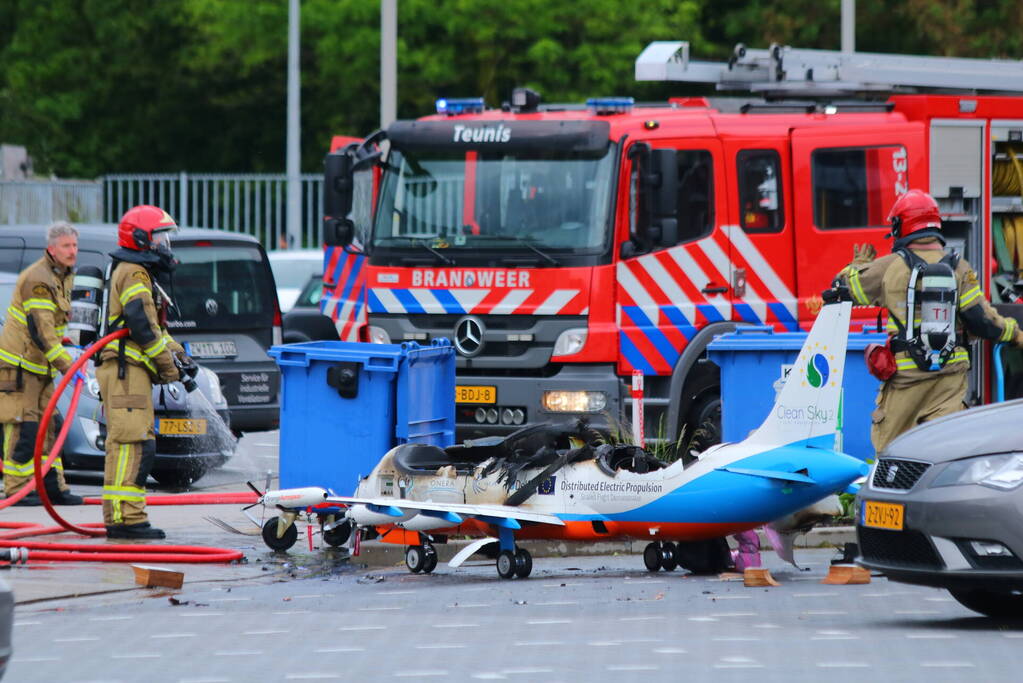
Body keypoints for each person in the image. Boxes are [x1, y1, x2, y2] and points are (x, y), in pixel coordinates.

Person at [828, 189, 1023, 453]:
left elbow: (840, 290)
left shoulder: (889, 267)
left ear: (900, 225)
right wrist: (1014, 333)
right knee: (945, 456)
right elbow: (982, 321)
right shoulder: (960, 268)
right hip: (948, 383)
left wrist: (857, 266)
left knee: (894, 455)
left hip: (905, 383)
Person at [98, 205, 194, 539]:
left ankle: (118, 518)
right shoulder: (135, 272)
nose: (166, 245)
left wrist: (179, 355)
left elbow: (153, 327)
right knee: (136, 445)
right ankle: (131, 520)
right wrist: (169, 369)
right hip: (127, 371)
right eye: (160, 237)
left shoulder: (135, 270)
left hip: (126, 369)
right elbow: (140, 325)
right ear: (140, 239)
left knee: (124, 445)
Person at [0, 221, 85, 506]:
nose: (72, 251)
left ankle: (51, 486)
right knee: (24, 427)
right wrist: (66, 365)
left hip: (40, 366)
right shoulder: (38, 278)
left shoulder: (62, 275)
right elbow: (41, 330)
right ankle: (17, 488)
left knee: (51, 427)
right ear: (51, 248)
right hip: (20, 367)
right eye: (66, 246)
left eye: (74, 245)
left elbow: (54, 326)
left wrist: (66, 344)